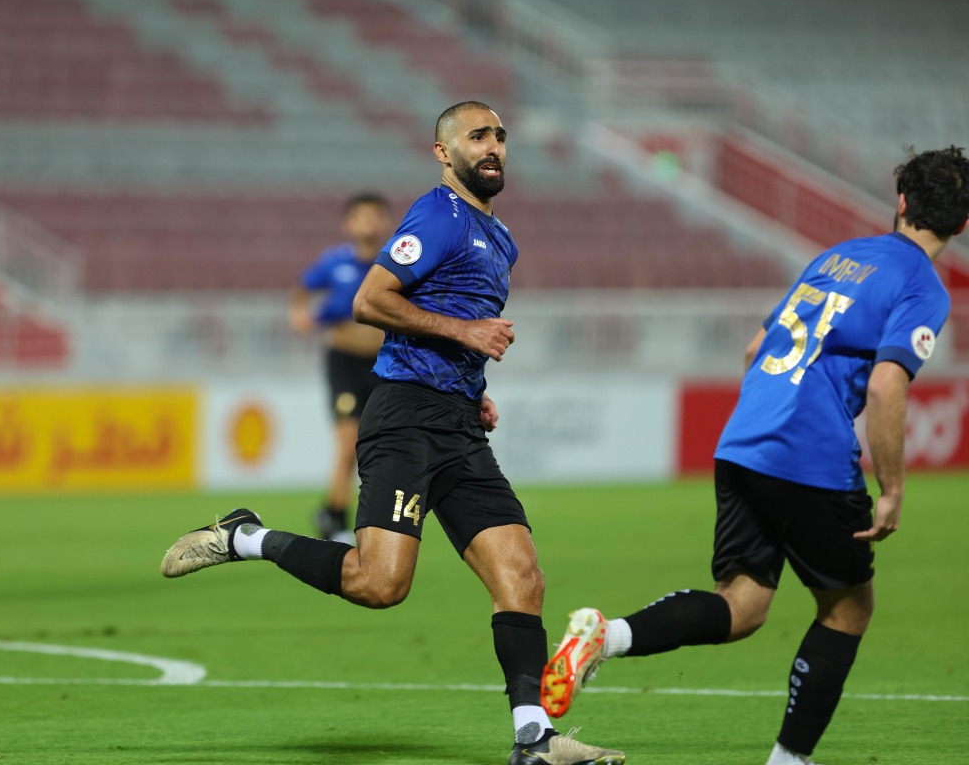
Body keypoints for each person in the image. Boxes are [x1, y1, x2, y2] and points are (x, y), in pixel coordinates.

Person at [162, 101, 624, 765]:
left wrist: (476, 387)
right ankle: (246, 537)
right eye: (476, 137)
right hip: (404, 419)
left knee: (522, 576)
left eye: (499, 136)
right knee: (380, 585)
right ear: (444, 153)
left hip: (459, 427)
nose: (492, 147)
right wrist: (467, 335)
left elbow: (452, 318)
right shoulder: (437, 215)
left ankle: (534, 740)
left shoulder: (502, 240)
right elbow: (370, 300)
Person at [540, 146, 969, 765]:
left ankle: (605, 637)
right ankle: (788, 762)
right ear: (961, 224)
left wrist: (766, 426)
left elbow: (753, 350)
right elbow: (885, 386)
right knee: (849, 608)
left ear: (901, 202)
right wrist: (894, 488)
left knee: (743, 605)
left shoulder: (838, 257)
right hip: (808, 455)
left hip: (743, 440)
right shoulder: (922, 286)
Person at [288, 193, 392, 543]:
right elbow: (302, 290)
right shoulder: (334, 263)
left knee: (379, 446)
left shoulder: (394, 262)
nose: (369, 224)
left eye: (375, 217)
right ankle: (337, 519)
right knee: (348, 444)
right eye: (361, 217)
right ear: (348, 224)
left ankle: (343, 515)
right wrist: (299, 316)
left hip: (384, 364)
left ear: (385, 223)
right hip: (345, 361)